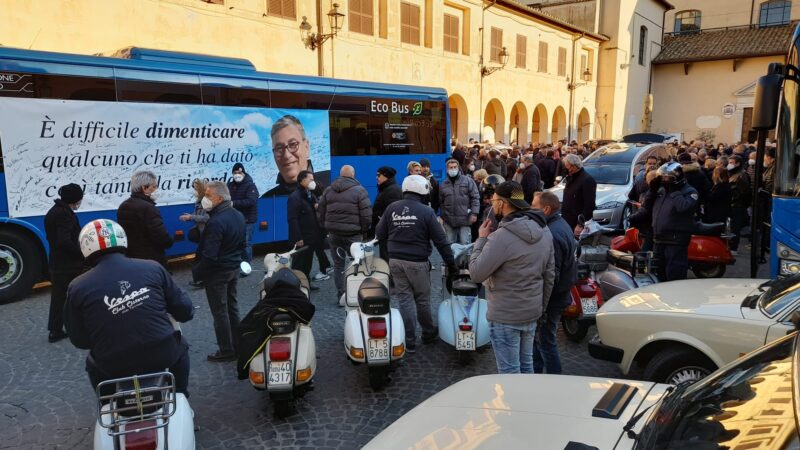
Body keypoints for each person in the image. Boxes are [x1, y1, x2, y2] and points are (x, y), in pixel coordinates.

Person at [65, 219, 193, 394]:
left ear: (85, 248)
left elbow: (79, 339)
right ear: (122, 239)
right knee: (181, 347)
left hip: (112, 362)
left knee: (93, 363)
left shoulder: (77, 286)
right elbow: (184, 310)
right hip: (162, 353)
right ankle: (180, 393)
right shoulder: (153, 268)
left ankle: (108, 404)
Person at [469, 181, 554, 374]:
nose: (492, 204)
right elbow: (549, 275)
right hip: (531, 310)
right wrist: (541, 308)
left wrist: (481, 238)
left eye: (494, 201)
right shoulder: (544, 230)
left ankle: (515, 404)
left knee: (510, 373)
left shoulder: (500, 237)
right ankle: (527, 403)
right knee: (527, 367)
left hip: (505, 314)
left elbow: (476, 273)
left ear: (503, 203)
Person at [375, 175, 456, 353]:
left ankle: (409, 340)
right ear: (423, 191)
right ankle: (428, 333)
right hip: (418, 263)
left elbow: (379, 233)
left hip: (395, 261)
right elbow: (441, 241)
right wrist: (451, 263)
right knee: (422, 300)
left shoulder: (392, 208)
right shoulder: (426, 212)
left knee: (404, 300)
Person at [192, 181, 246, 362]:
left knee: (220, 312)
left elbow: (210, 255)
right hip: (233, 268)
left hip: (217, 273)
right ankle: (238, 345)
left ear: (220, 198)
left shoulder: (216, 221)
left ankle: (226, 349)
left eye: (208, 195)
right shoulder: (237, 215)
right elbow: (243, 244)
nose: (205, 199)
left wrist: (198, 271)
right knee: (232, 308)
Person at [531, 191, 577, 375]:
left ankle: (553, 379)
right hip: (558, 294)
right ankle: (536, 371)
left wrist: (542, 304)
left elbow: (552, 276)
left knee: (546, 341)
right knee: (541, 339)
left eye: (534, 206)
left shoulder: (552, 233)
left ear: (546, 209)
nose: (531, 209)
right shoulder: (560, 223)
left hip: (552, 299)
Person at [318, 165, 372, 301]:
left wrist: (326, 227)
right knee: (357, 263)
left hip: (334, 234)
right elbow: (366, 215)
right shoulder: (360, 191)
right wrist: (364, 230)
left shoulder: (328, 190)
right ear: (353, 175)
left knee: (338, 265)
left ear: (341, 175)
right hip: (353, 235)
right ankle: (356, 295)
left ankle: (341, 294)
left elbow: (321, 212)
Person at [44, 183, 85, 343]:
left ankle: (55, 330)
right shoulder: (64, 214)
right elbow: (64, 241)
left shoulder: (55, 211)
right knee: (73, 296)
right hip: (67, 264)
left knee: (59, 297)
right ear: (74, 199)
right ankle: (75, 327)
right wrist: (82, 253)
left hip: (58, 261)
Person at [650, 162, 698, 281]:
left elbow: (683, 207)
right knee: (657, 273)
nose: (665, 180)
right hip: (659, 238)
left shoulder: (690, 191)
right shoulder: (662, 190)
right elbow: (647, 206)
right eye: (663, 177)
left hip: (675, 241)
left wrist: (675, 191)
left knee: (674, 274)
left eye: (668, 177)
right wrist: (652, 190)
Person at [262, 114, 330, 197]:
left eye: (293, 144)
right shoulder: (268, 198)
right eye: (279, 148)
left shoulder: (331, 183)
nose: (286, 155)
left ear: (306, 147)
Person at [117, 170, 173, 268]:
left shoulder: (123, 206)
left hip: (131, 257)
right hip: (151, 259)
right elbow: (160, 235)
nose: (155, 190)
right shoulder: (149, 208)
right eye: (154, 187)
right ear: (144, 187)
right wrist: (170, 242)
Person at [287, 171, 331, 287]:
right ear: (302, 180)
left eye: (313, 179)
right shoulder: (295, 197)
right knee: (299, 263)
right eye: (310, 180)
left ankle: (306, 283)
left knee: (307, 262)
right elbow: (292, 219)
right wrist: (298, 237)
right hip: (302, 237)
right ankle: (295, 285)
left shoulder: (309, 194)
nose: (313, 182)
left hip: (311, 236)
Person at [439, 159, 480, 245]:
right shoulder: (443, 185)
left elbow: (475, 197)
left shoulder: (468, 181)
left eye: (455, 167)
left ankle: (466, 259)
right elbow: (441, 202)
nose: (453, 169)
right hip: (449, 221)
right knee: (450, 246)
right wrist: (443, 216)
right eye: (451, 167)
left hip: (465, 219)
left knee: (465, 245)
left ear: (458, 168)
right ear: (447, 169)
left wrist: (474, 213)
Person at [227, 163, 259, 268]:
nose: (237, 175)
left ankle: (246, 267)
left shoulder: (250, 185)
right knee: (235, 243)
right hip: (235, 220)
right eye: (235, 173)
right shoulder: (230, 185)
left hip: (247, 220)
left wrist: (234, 203)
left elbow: (251, 201)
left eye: (239, 172)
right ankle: (237, 264)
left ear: (244, 173)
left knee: (246, 243)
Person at [180, 178, 210, 288]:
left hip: (207, 233)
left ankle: (202, 281)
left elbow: (207, 218)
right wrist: (190, 217)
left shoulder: (207, 202)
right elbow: (198, 215)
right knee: (200, 258)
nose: (194, 192)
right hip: (203, 233)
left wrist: (191, 217)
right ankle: (200, 280)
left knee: (201, 258)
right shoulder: (199, 202)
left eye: (195, 190)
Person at [372, 166, 403, 258]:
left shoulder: (392, 190)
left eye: (379, 175)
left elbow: (393, 215)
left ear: (386, 176)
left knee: (388, 259)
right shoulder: (386, 188)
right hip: (385, 233)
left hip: (389, 234)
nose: (376, 177)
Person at [560, 154, 597, 233]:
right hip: (566, 220)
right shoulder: (571, 177)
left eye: (567, 166)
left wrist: (580, 224)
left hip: (576, 223)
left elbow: (589, 205)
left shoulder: (587, 180)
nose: (565, 168)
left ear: (573, 166)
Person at [728, 154, 751, 255]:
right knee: (732, 227)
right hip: (734, 204)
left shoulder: (742, 175)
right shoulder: (733, 173)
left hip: (738, 205)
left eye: (731, 163)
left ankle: (733, 248)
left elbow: (743, 192)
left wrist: (734, 199)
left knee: (735, 227)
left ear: (738, 163)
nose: (729, 165)